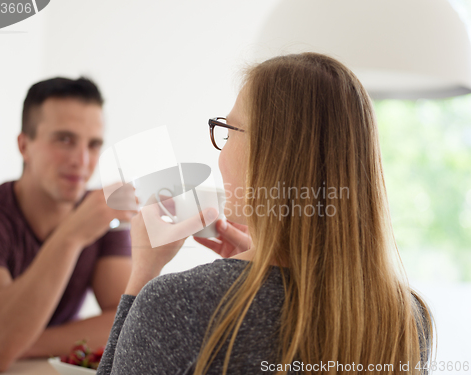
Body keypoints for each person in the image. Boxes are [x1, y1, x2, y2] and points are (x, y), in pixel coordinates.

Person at [96, 53, 434, 375]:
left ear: (272, 155)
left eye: (228, 131)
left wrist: (143, 273)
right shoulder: (405, 317)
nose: (220, 154)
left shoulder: (179, 304)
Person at [0, 77, 136, 373]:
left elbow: (125, 319)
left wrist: (22, 343)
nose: (82, 160)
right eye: (64, 140)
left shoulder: (100, 211)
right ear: (24, 145)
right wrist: (72, 234)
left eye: (94, 144)